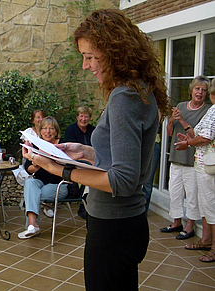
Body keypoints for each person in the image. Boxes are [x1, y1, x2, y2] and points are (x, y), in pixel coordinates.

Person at [23, 9, 170, 290]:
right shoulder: (140, 90)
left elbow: (123, 180)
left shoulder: (124, 96)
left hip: (113, 228)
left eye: (90, 56)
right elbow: (126, 158)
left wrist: (60, 168)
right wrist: (85, 151)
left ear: (115, 51)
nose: (85, 65)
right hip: (128, 223)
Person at [160, 75, 211, 239]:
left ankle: (189, 226)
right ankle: (176, 222)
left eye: (204, 90)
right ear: (191, 90)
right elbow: (169, 133)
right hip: (176, 157)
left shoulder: (207, 110)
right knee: (174, 192)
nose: (200, 92)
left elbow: (198, 136)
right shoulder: (181, 105)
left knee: (192, 195)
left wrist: (181, 120)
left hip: (192, 160)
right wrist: (171, 121)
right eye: (197, 89)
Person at [175, 79, 215, 262]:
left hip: (210, 167)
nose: (203, 93)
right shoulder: (212, 110)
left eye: (207, 91)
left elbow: (206, 138)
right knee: (206, 206)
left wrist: (188, 144)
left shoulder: (213, 110)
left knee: (212, 207)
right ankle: (206, 240)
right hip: (202, 165)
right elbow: (198, 133)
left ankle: (214, 248)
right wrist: (188, 136)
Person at [18, 116, 68, 239]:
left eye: (51, 128)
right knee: (30, 183)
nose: (48, 131)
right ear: (40, 132)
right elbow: (28, 168)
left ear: (56, 131)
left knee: (34, 194)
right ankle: (32, 225)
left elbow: (68, 165)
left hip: (60, 184)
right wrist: (35, 165)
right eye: (44, 128)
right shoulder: (35, 146)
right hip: (40, 181)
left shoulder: (63, 145)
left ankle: (32, 227)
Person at [65, 106, 95, 219]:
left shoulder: (93, 130)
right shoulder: (71, 130)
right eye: (81, 116)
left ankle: (87, 206)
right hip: (75, 162)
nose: (83, 119)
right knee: (89, 175)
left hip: (90, 162)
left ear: (89, 118)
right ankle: (84, 207)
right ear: (77, 117)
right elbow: (70, 151)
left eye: (86, 116)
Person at [142, 123, 161, 214]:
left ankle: (143, 211)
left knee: (148, 181)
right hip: (139, 143)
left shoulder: (157, 111)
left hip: (154, 144)